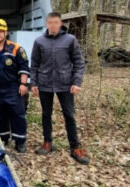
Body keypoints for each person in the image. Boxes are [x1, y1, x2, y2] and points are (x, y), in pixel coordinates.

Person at [30, 11, 89, 165]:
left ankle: (75, 147)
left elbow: (78, 62)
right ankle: (47, 142)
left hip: (65, 84)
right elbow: (34, 64)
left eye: (56, 22)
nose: (53, 25)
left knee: (69, 115)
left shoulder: (70, 40)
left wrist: (76, 82)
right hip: (44, 83)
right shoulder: (39, 41)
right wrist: (34, 83)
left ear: (61, 23)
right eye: (50, 22)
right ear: (46, 24)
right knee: (46, 114)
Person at [0, 19, 30, 153]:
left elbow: (24, 66)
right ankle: (2, 138)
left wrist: (24, 84)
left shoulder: (16, 48)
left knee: (17, 113)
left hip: (13, 87)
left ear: (6, 33)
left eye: (0, 32)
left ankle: (20, 141)